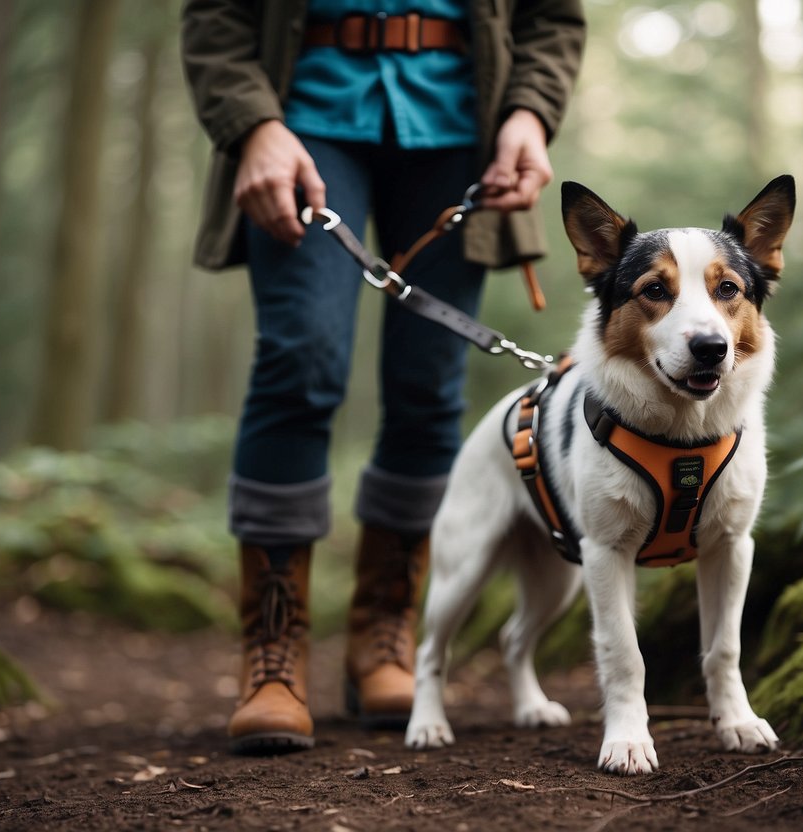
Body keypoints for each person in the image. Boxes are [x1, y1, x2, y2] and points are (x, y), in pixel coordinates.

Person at [180, 0, 585, 754]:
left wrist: (529, 112)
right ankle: (273, 654)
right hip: (300, 118)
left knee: (429, 386)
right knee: (299, 360)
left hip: (458, 131)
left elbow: (552, 18)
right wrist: (250, 124)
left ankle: (385, 634)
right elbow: (214, 15)